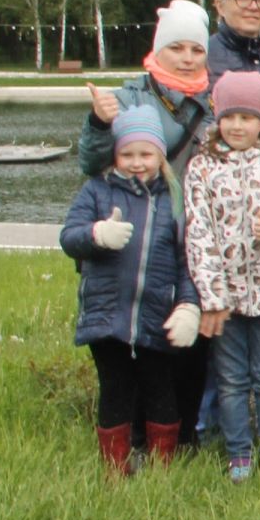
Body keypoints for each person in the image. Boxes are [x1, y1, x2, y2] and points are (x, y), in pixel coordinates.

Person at [184, 71, 260, 482]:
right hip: (226, 299)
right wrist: (211, 295)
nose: (237, 126)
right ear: (217, 118)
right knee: (232, 381)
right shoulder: (202, 167)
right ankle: (239, 454)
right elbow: (198, 232)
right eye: (229, 116)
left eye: (247, 117)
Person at [60, 106, 200, 474]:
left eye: (146, 154)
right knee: (115, 391)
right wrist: (96, 235)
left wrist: (188, 305)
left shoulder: (175, 199)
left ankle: (161, 467)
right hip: (106, 316)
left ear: (160, 155)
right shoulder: (97, 191)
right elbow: (69, 237)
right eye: (127, 154)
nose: (137, 163)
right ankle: (115, 469)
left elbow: (187, 260)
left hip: (158, 314)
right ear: (115, 155)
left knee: (160, 390)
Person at [80, 0, 215, 180]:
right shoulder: (126, 100)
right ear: (158, 51)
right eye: (176, 48)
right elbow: (91, 165)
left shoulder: (219, 100)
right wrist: (99, 124)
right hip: (148, 207)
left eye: (197, 51)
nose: (188, 59)